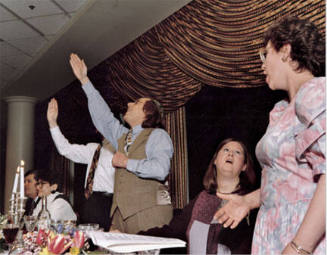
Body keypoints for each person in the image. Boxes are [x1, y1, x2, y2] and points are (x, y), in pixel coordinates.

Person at [214, 16, 325, 254]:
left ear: (285, 50)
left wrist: (300, 247)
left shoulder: (315, 93)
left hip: (304, 235)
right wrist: (248, 201)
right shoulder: (281, 110)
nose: (262, 64)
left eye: (266, 54)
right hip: (274, 232)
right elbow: (287, 181)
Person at [69, 53, 174, 234]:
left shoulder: (158, 136)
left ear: (148, 114)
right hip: (119, 217)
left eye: (137, 102)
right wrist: (85, 81)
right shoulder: (124, 136)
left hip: (149, 215)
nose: (129, 103)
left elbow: (160, 169)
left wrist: (126, 163)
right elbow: (104, 119)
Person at [139, 138, 257, 254]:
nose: (230, 154)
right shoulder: (201, 198)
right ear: (215, 160)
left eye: (237, 152)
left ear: (244, 166)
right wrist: (132, 237)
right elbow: (171, 231)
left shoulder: (251, 202)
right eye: (225, 150)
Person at [47, 98, 115, 231]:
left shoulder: (124, 150)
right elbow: (65, 149)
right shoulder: (94, 149)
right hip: (90, 202)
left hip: (111, 204)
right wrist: (53, 123)